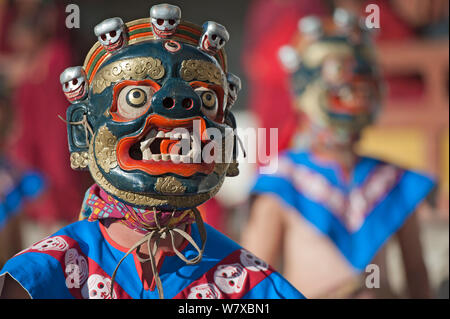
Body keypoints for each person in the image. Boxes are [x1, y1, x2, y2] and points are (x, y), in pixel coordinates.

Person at [0, 3, 304, 299]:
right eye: (136, 97)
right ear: (82, 131)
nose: (179, 110)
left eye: (207, 100)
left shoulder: (250, 284)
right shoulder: (42, 276)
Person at [241, 10, 434, 298]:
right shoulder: (282, 181)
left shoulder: (389, 180)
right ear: (307, 93)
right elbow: (252, 278)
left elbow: (416, 273)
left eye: (360, 92)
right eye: (338, 93)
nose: (351, 102)